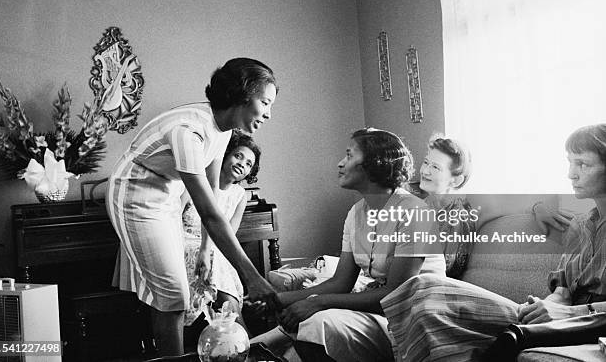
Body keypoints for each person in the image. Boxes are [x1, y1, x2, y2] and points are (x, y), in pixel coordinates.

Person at [381, 123, 606, 362]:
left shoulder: (469, 206)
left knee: (427, 287)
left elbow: (521, 200)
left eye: (582, 164)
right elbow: (562, 292)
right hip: (557, 320)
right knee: (423, 291)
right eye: (570, 162)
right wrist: (545, 306)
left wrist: (571, 312)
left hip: (588, 326)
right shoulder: (580, 225)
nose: (571, 173)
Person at [106, 57, 278, 356]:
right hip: (134, 193)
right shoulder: (189, 129)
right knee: (173, 294)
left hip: (166, 191)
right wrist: (252, 277)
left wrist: (206, 249)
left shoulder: (222, 128)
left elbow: (212, 192)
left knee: (173, 295)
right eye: (265, 103)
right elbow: (210, 213)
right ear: (242, 95)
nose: (268, 114)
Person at [254, 128, 446, 362]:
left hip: (415, 318)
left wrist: (317, 302)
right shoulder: (355, 214)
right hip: (383, 313)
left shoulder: (415, 211)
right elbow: (341, 282)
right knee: (303, 322)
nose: (340, 163)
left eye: (349, 155)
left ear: (375, 162)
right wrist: (278, 299)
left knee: (320, 322)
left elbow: (398, 295)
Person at [183, 131, 261, 331]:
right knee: (214, 258)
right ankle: (242, 338)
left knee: (217, 258)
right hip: (185, 245)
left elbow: (228, 235)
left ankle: (235, 337)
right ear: (225, 155)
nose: (242, 164)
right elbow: (174, 217)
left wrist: (211, 249)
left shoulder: (240, 195)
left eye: (248, 164)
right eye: (238, 156)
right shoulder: (197, 181)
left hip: (215, 249)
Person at [419, 135, 475, 278]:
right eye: (426, 162)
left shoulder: (458, 218)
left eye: (436, 167)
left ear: (455, 181)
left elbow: (447, 270)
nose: (425, 171)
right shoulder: (422, 207)